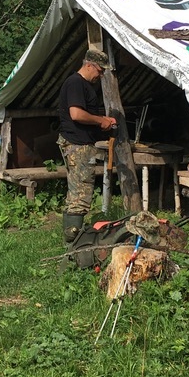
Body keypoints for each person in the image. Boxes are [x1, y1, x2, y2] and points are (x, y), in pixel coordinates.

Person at [57, 49, 118, 243]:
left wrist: (103, 121)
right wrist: (100, 120)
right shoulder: (76, 83)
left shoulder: (81, 84)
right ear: (89, 65)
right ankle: (73, 244)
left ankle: (73, 238)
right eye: (100, 71)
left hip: (79, 144)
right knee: (80, 195)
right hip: (77, 145)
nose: (100, 75)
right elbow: (76, 114)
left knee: (77, 192)